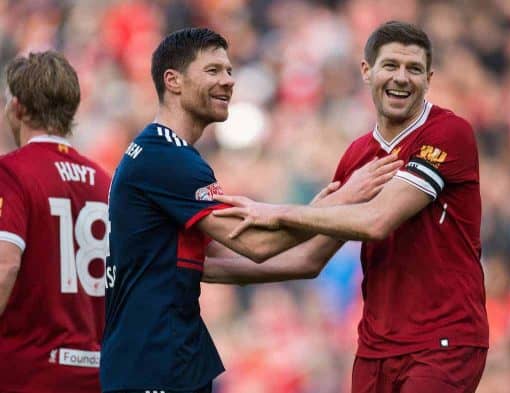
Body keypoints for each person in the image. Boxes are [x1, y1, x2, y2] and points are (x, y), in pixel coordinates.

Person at [100, 27, 402, 393]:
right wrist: (343, 200)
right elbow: (256, 245)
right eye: (213, 71)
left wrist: (332, 213)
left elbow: (299, 262)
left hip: (169, 362)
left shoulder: (160, 157)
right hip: (152, 365)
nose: (228, 81)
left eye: (229, 71)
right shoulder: (167, 158)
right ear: (173, 81)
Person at [211, 21, 489, 393]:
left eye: (415, 69)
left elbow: (377, 221)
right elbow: (307, 260)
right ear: (366, 70)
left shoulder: (448, 133)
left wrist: (278, 210)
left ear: (429, 78)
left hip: (443, 342)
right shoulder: (357, 156)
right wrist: (193, 269)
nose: (402, 78)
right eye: (390, 65)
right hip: (376, 349)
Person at [0, 51, 111, 392]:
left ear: (17, 107)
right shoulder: (105, 182)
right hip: (96, 374)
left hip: (26, 374)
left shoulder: (12, 173)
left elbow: (5, 267)